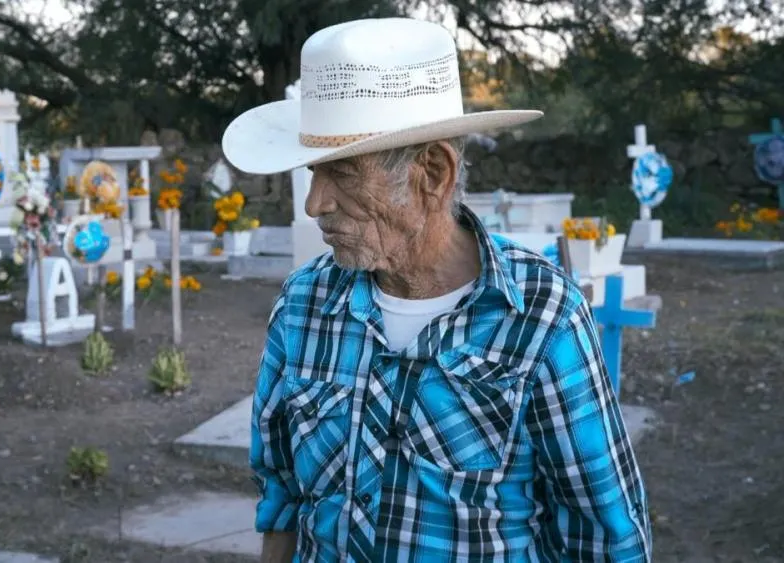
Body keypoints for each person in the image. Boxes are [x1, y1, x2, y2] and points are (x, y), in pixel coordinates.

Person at [221, 17, 652, 563]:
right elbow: (281, 494)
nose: (315, 204)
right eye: (313, 173)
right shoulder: (303, 305)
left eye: (343, 174)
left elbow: (603, 535)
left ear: (432, 172)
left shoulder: (542, 318)